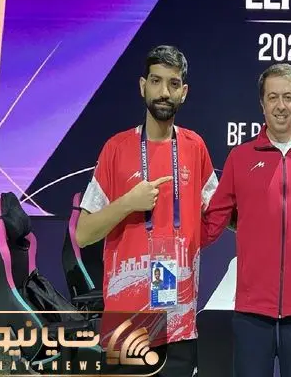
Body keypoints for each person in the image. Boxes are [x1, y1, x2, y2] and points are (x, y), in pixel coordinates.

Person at [75, 45, 218, 377]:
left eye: (173, 83)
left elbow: (220, 212)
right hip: (127, 326)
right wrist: (129, 202)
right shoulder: (115, 148)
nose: (164, 92)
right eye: (156, 81)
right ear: (143, 86)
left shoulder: (195, 147)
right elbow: (83, 234)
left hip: (179, 324)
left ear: (184, 92)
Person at [201, 63, 291, 377]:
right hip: (252, 313)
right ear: (262, 103)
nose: (281, 105)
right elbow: (211, 225)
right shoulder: (240, 158)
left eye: (288, 97)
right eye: (273, 97)